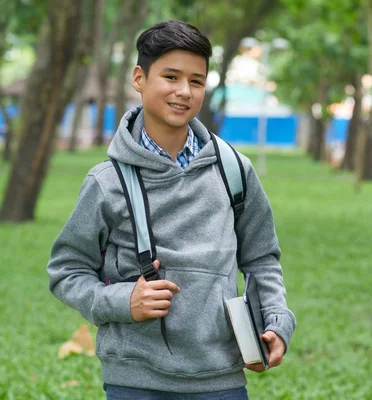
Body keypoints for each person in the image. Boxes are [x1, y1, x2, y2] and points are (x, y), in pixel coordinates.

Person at [47, 20, 295, 399]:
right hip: (135, 379)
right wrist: (122, 301)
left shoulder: (234, 170)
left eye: (196, 81)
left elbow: (261, 257)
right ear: (139, 78)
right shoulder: (106, 182)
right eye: (171, 76)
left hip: (221, 377)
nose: (184, 91)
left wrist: (276, 322)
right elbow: (67, 270)